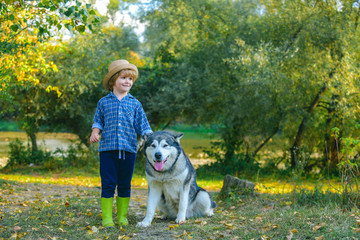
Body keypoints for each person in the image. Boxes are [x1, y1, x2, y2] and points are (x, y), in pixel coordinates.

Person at [90, 59, 152, 227]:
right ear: (113, 81)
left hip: (128, 150)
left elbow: (143, 125)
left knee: (125, 184)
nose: (128, 81)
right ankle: (107, 218)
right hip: (107, 150)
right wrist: (95, 132)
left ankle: (122, 217)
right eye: (124, 78)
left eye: (130, 79)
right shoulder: (103, 102)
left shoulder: (135, 103)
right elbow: (98, 121)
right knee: (108, 184)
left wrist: (150, 138)